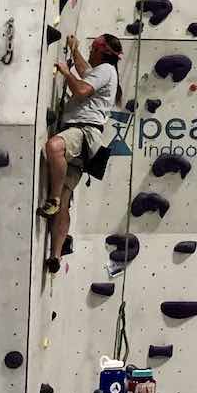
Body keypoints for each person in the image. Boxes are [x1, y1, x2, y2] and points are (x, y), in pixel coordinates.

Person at [39, 32, 123, 272]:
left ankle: (52, 199)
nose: (89, 53)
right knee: (66, 203)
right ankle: (55, 256)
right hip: (88, 142)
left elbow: (82, 89)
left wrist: (66, 72)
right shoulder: (106, 71)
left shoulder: (106, 69)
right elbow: (87, 73)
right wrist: (74, 50)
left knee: (54, 147)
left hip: (82, 132)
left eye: (91, 49)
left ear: (100, 50)